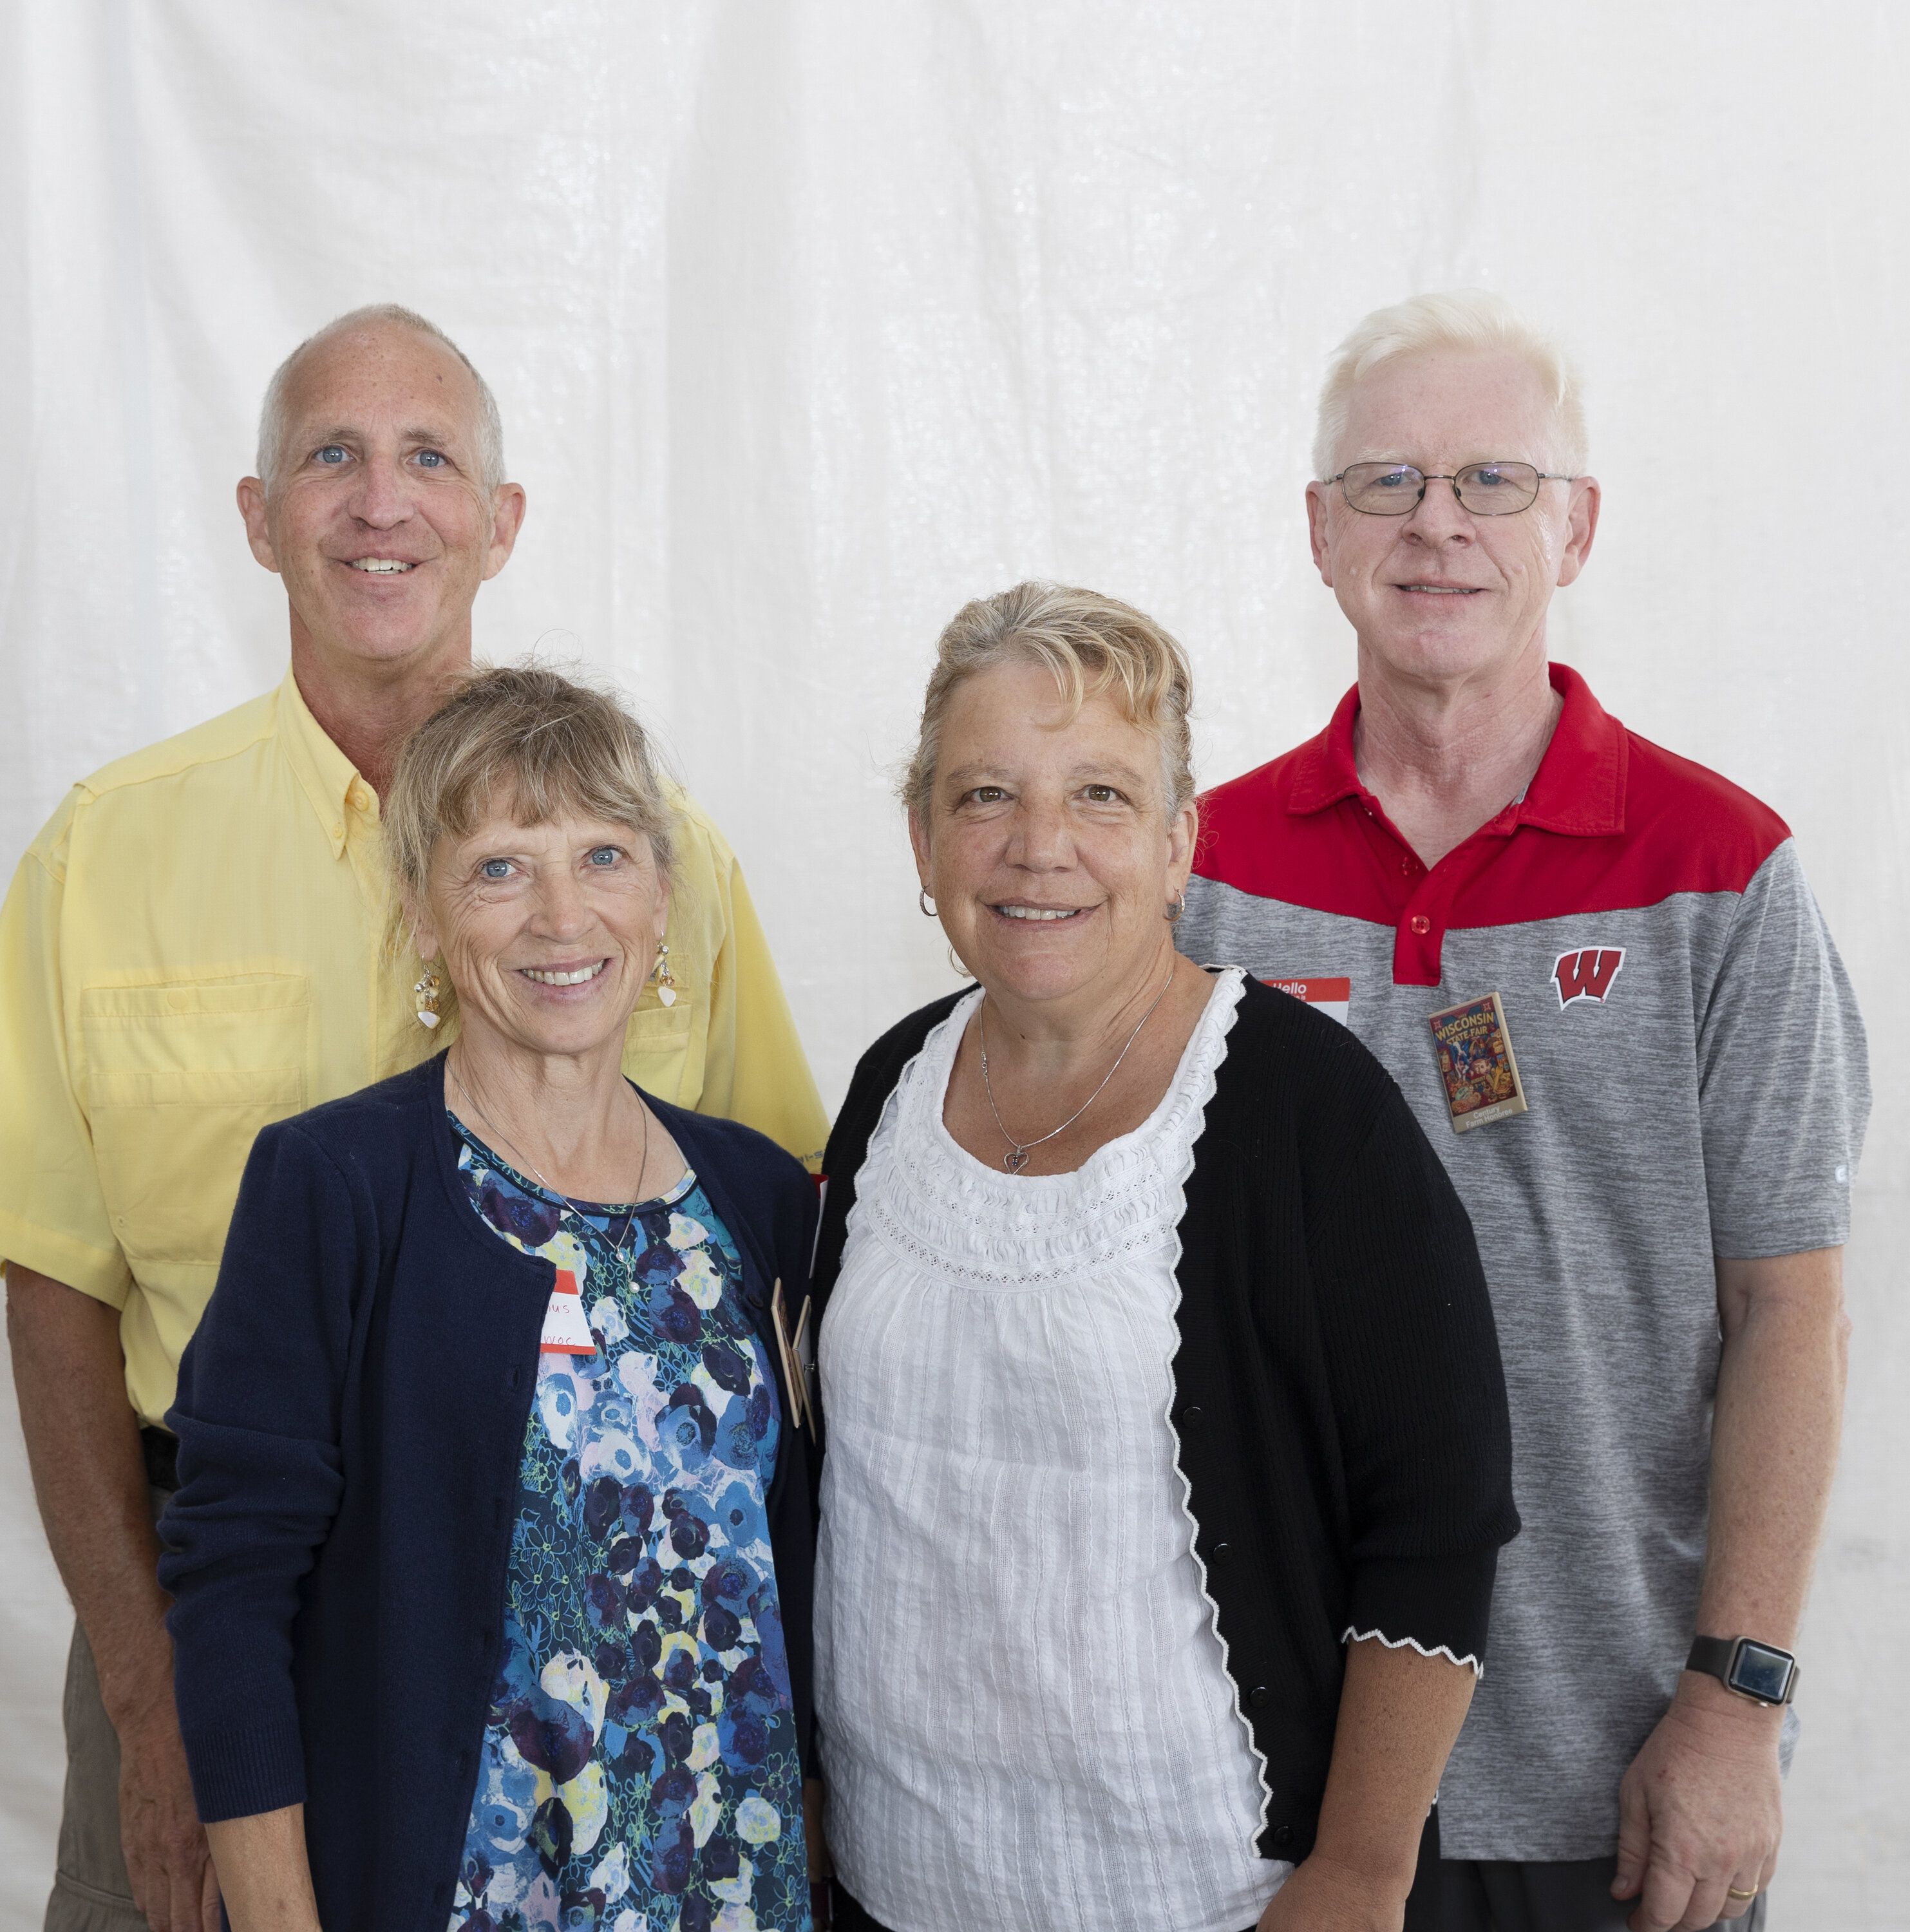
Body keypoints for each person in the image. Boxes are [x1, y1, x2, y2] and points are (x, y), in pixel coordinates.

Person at [0, 305, 826, 1932]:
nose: (382, 504)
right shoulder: (107, 853)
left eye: (429, 458)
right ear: (258, 518)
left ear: (501, 519)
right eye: (331, 458)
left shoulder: (672, 857)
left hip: (609, 1668)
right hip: (200, 1593)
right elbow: (51, 1282)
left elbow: (766, 1261)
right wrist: (151, 1699)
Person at [1177, 292, 1871, 1932]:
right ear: (1318, 530)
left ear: (1577, 525)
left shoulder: (1722, 874)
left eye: (1493, 479)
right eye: (1386, 482)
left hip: (1618, 1773)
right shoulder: (1201, 872)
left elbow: (1795, 1311)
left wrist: (1738, 1702)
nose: (1436, 526)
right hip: (1269, 1771)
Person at [806, 583, 1520, 1932]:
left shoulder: (1309, 1114)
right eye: (985, 797)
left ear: (1183, 840)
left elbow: (1440, 1519)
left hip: (1208, 1896)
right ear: (921, 836)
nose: (1039, 848)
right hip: (895, 1889)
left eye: (1100, 797)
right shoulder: (889, 1084)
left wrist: (1361, 1876)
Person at [156, 665, 820, 1930]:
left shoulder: (756, 1197)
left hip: (736, 1888)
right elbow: (232, 1594)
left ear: (664, 897)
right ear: (419, 911)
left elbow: (791, 1575)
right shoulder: (337, 1186)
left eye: (605, 856)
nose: (562, 917)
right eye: (501, 867)